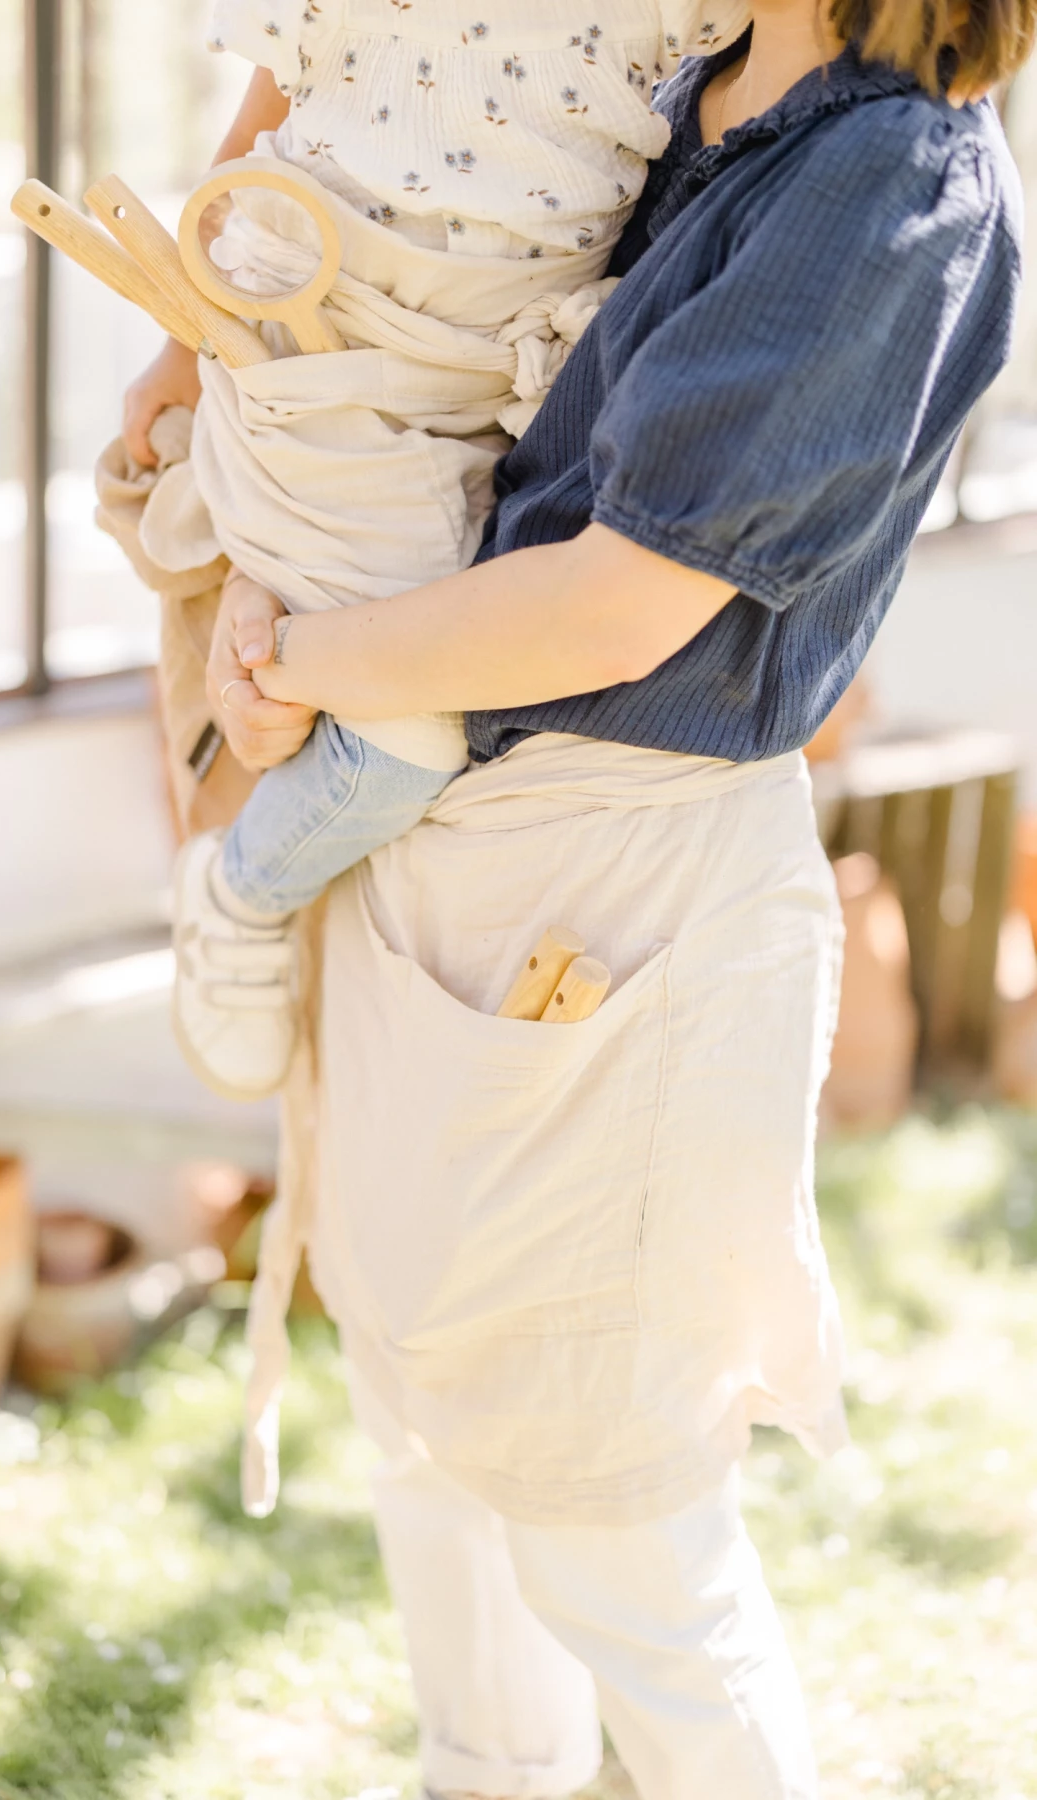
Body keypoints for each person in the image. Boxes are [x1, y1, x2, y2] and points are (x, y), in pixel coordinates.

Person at [127, 0, 1031, 1794]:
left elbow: (628, 603)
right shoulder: (680, 91)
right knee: (431, 1433)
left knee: (622, 1535)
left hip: (625, 882)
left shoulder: (891, 184)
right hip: (449, 822)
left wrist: (306, 655)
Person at [150, 1, 751, 1101]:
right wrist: (175, 359)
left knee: (383, 657)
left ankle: (268, 615)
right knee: (411, 736)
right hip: (325, 334)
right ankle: (239, 892)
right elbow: (259, 127)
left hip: (510, 380)